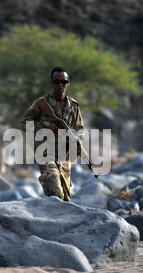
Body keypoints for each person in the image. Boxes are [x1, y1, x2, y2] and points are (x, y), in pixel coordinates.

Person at [19, 66, 85, 201]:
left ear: (68, 83)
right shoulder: (41, 104)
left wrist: (76, 143)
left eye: (63, 82)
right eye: (57, 82)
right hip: (45, 152)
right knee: (55, 191)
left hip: (64, 155)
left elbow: (80, 130)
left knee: (66, 198)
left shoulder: (73, 106)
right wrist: (47, 125)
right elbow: (24, 123)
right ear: (51, 83)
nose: (60, 85)